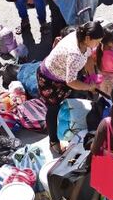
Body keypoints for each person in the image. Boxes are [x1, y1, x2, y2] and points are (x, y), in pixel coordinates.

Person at [38, 20, 105, 154]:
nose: (98, 45)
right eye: (97, 41)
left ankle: (70, 128)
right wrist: (87, 87)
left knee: (72, 99)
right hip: (49, 79)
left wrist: (92, 77)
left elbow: (89, 58)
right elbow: (71, 82)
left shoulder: (82, 38)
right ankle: (53, 140)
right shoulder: (75, 54)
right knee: (53, 109)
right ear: (88, 38)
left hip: (64, 75)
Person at [97, 23, 113, 96]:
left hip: (102, 78)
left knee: (103, 95)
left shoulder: (97, 50)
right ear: (110, 42)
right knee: (112, 97)